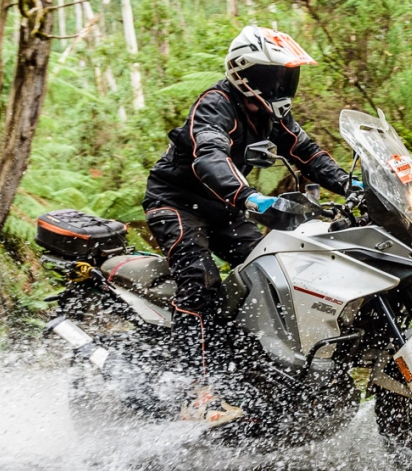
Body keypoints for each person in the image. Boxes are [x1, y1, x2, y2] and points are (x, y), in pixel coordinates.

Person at [142, 26, 359, 377]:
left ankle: (252, 366)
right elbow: (210, 156)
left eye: (286, 77)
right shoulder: (215, 104)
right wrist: (250, 197)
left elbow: (306, 152)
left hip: (222, 207)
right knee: (200, 279)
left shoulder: (271, 113)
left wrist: (351, 185)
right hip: (177, 202)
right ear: (244, 74)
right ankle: (190, 382)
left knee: (272, 271)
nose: (281, 84)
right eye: (272, 76)